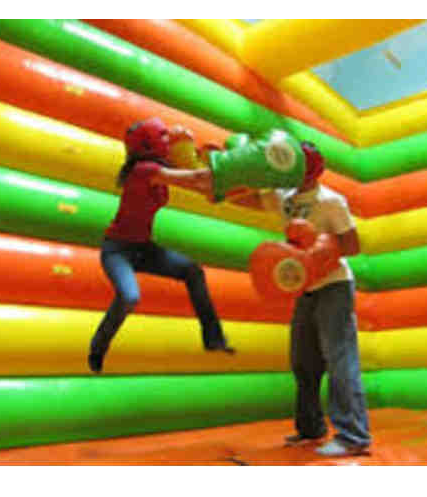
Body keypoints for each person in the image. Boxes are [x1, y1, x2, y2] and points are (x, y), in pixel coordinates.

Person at [235, 141, 371, 457]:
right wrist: (222, 179)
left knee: (339, 358)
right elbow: (249, 199)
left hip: (334, 286)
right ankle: (311, 428)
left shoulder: (330, 201)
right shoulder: (286, 197)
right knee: (303, 361)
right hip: (305, 288)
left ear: (308, 170)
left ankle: (354, 436)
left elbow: (352, 245)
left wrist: (322, 245)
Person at [88, 118, 235, 373]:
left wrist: (202, 163)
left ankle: (214, 339)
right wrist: (226, 167)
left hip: (143, 249)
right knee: (129, 297)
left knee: (193, 271)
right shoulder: (144, 170)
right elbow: (196, 177)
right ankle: (98, 349)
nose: (168, 142)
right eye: (163, 138)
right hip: (118, 250)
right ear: (149, 144)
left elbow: (197, 181)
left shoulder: (158, 168)